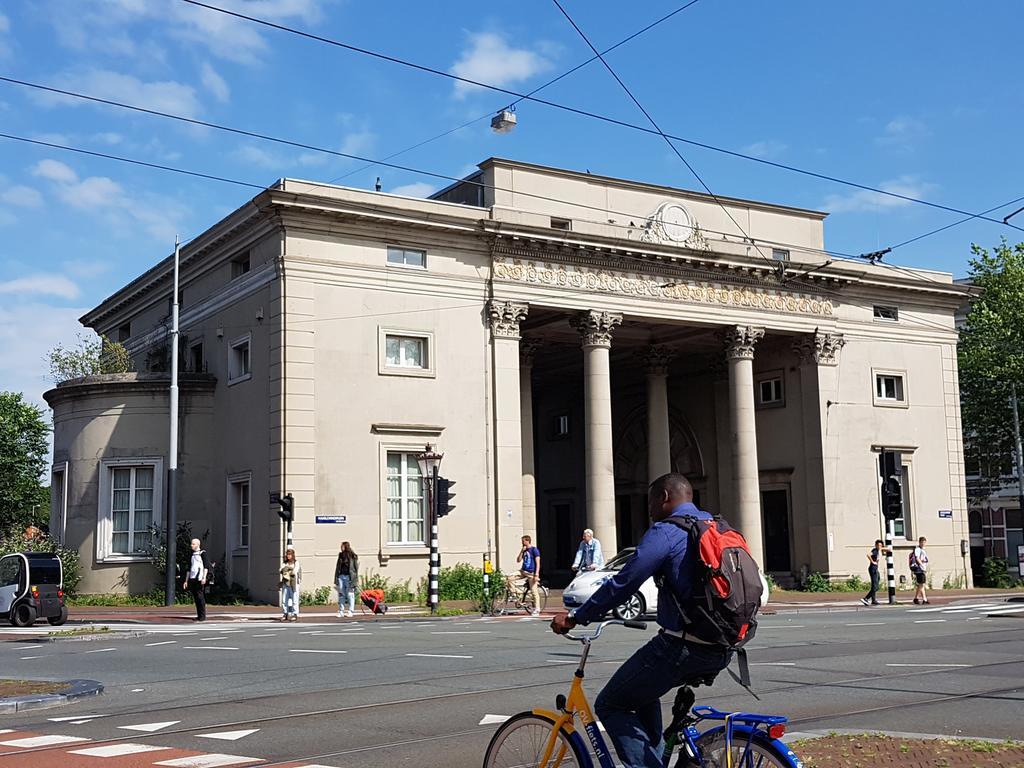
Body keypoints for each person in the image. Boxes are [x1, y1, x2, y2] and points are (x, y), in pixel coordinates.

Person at [551, 473, 733, 768]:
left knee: (610, 704)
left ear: (664, 498)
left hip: (683, 645)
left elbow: (625, 581)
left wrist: (577, 616)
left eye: (650, 502)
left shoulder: (667, 532)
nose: (647, 510)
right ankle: (655, 758)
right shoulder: (716, 525)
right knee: (641, 689)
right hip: (722, 644)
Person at [181, 538, 210, 622]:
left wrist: (204, 577)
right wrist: (186, 581)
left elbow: (206, 566)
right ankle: (198, 615)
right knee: (196, 597)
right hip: (192, 578)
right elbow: (189, 568)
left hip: (199, 578)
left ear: (198, 545)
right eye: (191, 544)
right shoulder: (192, 555)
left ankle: (202, 616)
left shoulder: (202, 554)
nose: (191, 545)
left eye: (193, 544)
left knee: (200, 596)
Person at [515, 534, 542, 617]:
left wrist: (536, 574)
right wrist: (521, 551)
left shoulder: (534, 550)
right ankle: (517, 594)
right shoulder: (524, 550)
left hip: (531, 573)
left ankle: (537, 608)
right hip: (523, 571)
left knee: (534, 591)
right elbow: (518, 560)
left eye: (523, 541)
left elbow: (538, 563)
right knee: (509, 577)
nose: (522, 543)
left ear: (527, 541)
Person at [334, 541, 359, 618]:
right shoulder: (340, 555)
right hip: (341, 576)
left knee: (350, 594)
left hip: (349, 576)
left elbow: (355, 568)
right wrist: (336, 578)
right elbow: (337, 567)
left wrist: (355, 579)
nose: (341, 547)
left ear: (345, 546)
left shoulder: (352, 556)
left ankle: (351, 611)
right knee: (341, 594)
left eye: (342, 546)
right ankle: (341, 611)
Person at [279, 546, 302, 621]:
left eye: (290, 554)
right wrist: (284, 570)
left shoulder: (296, 562)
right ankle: (285, 613)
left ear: (293, 555)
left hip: (293, 583)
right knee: (284, 599)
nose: (288, 556)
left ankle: (295, 614)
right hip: (286, 582)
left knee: (294, 599)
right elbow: (280, 570)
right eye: (287, 554)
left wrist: (289, 570)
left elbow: (295, 571)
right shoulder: (285, 563)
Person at [860, 539, 885, 606]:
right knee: (875, 587)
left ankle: (873, 600)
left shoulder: (879, 550)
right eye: (878, 545)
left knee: (876, 582)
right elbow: (868, 554)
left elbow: (887, 549)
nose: (879, 546)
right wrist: (872, 561)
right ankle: (866, 598)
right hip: (873, 569)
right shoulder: (875, 551)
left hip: (875, 569)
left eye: (880, 545)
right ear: (876, 545)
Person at [910, 536, 929, 605]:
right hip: (919, 568)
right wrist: (922, 566)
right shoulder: (917, 549)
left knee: (920, 584)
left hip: (921, 568)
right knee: (921, 583)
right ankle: (924, 599)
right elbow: (917, 558)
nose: (923, 544)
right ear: (919, 542)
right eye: (922, 542)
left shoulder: (922, 550)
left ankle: (916, 598)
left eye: (924, 542)